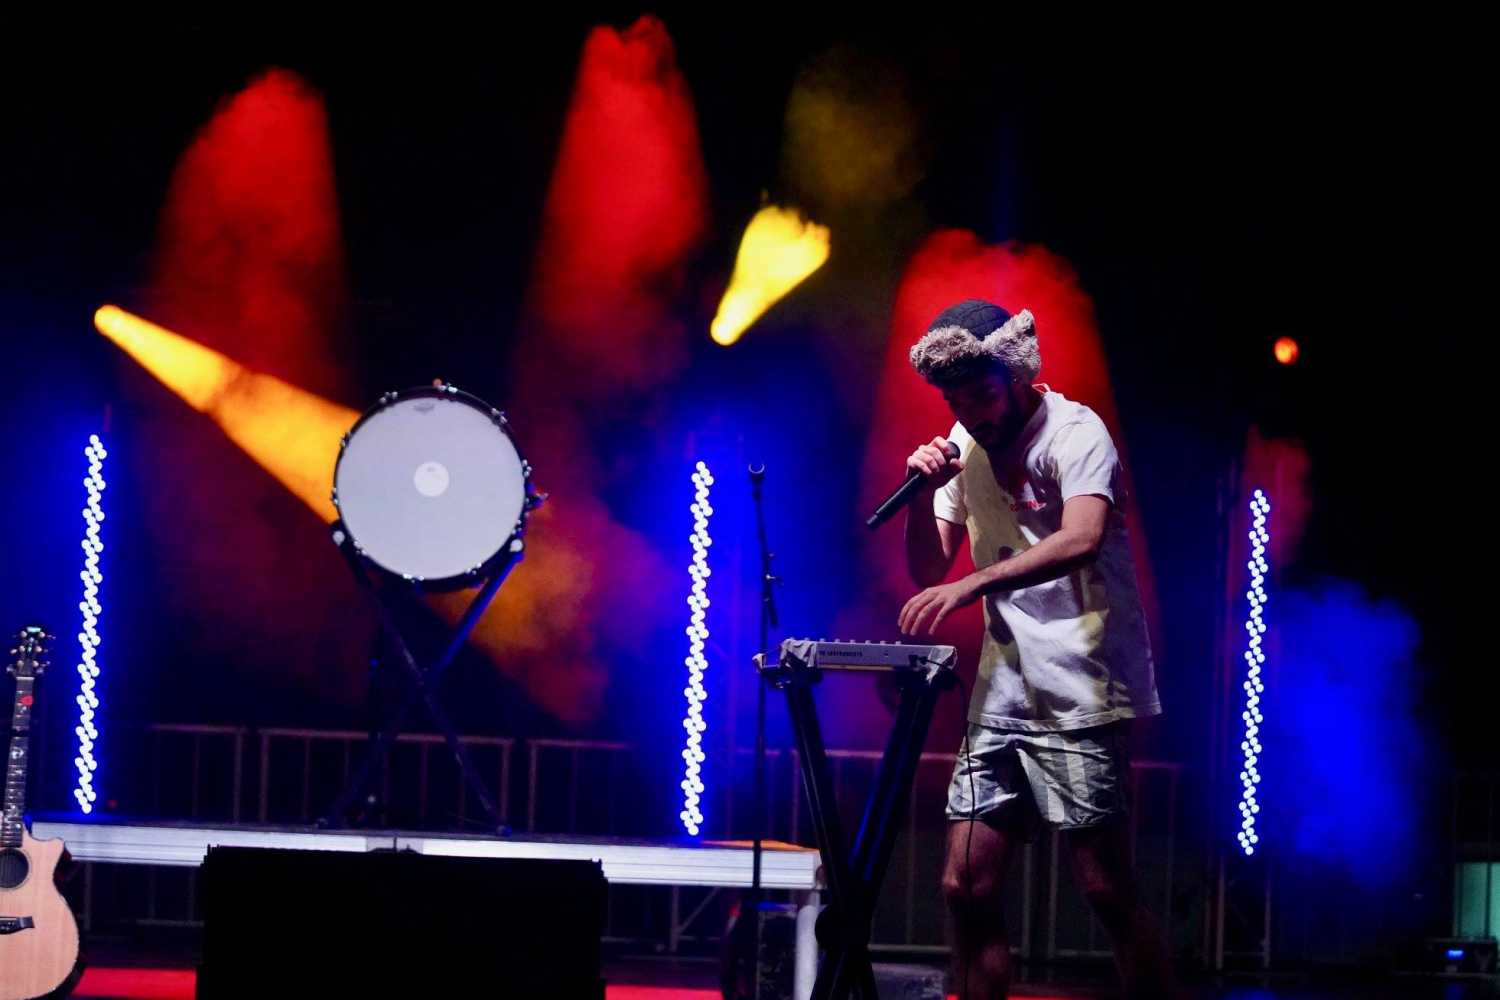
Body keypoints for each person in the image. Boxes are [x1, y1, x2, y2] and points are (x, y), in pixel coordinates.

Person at [897, 299, 1177, 998]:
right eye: (957, 403)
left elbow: (1082, 537)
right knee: (964, 884)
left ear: (1017, 374)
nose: (973, 415)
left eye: (984, 396)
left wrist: (975, 585)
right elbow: (928, 569)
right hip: (1002, 694)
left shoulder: (1076, 432)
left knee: (1105, 889)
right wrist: (920, 495)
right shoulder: (962, 448)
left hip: (1083, 687)